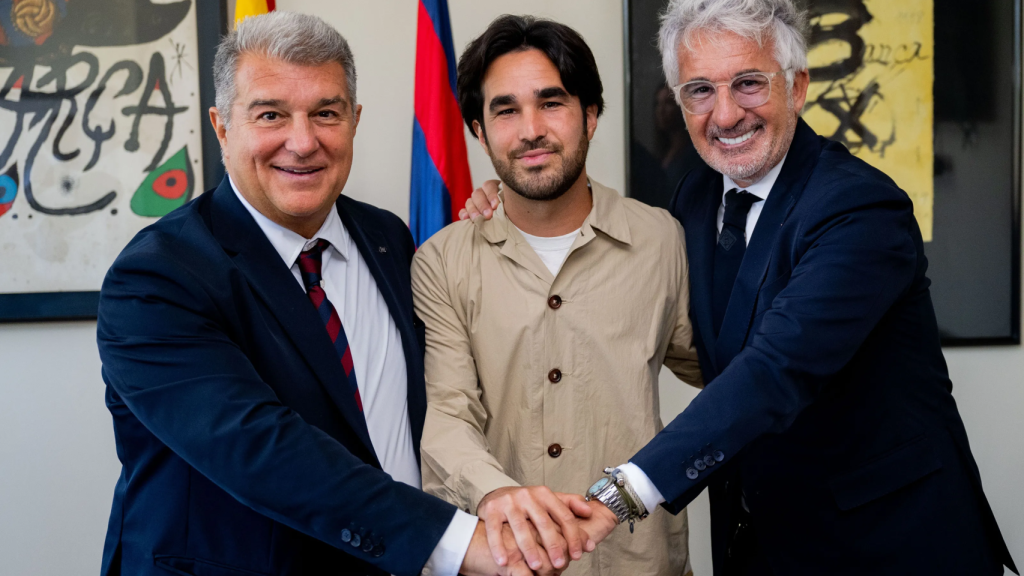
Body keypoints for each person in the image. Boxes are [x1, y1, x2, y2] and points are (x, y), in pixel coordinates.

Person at [460, 1, 1018, 575]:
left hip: (890, 546)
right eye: (699, 90)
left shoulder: (859, 206)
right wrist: (509, 203)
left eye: (748, 83)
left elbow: (774, 368)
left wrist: (623, 493)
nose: (725, 115)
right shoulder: (696, 201)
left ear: (797, 87)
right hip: (761, 545)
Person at [96, 12, 579, 576]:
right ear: (222, 126)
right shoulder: (156, 278)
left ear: (354, 121)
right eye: (271, 114)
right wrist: (456, 543)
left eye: (325, 113)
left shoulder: (388, 239)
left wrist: (505, 214)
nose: (302, 143)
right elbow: (259, 447)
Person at [414, 15, 701, 576]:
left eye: (552, 103)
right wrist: (499, 497)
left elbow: (722, 371)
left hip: (635, 561)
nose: (530, 130)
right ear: (477, 130)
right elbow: (449, 414)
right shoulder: (442, 261)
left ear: (590, 116)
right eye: (505, 110)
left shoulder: (663, 239)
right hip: (505, 560)